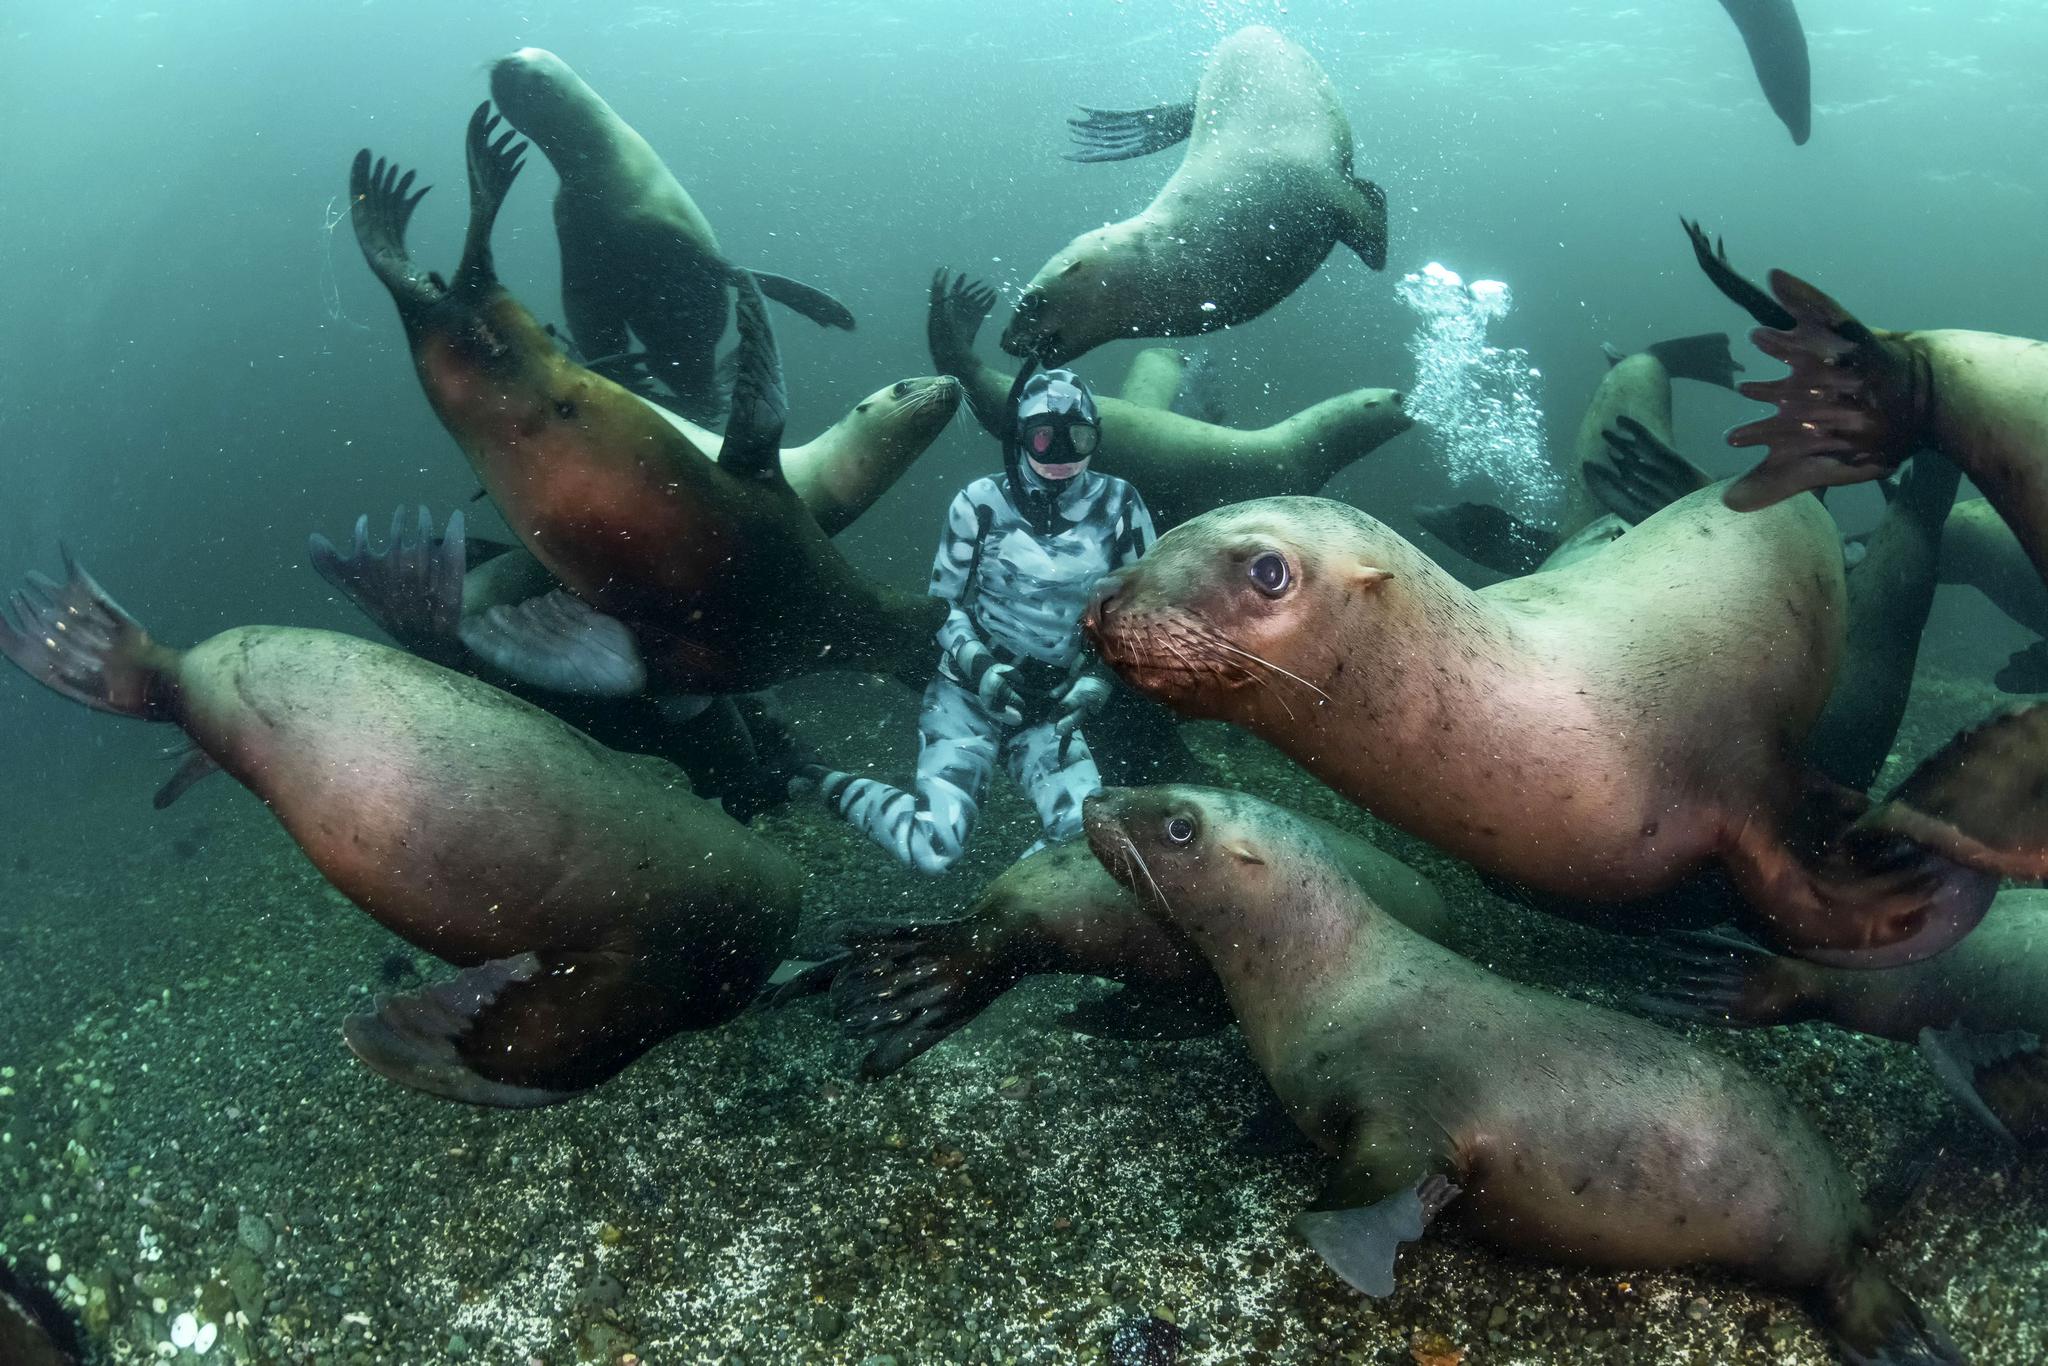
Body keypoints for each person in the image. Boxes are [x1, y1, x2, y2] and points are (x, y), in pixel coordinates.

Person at [801, 362, 1153, 874]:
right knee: (932, 849)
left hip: (1054, 705)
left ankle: (1002, 918)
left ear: (1094, 437)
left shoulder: (1122, 504)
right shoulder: (980, 502)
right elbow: (942, 608)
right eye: (1042, 439)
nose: (1059, 456)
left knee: (1090, 841)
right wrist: (983, 669)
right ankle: (824, 783)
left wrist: (1099, 680)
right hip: (966, 697)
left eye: (1076, 437)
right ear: (1020, 439)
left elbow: (1139, 610)